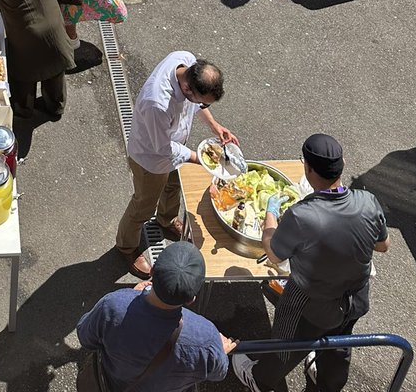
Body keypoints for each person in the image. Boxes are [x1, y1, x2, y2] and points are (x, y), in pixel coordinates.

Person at [232, 133, 389, 392]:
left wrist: (271, 214)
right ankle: (329, 384)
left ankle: (260, 379)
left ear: (308, 168)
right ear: (343, 164)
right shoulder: (367, 202)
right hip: (356, 298)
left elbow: (273, 254)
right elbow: (383, 245)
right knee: (339, 342)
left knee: (287, 342)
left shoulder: (302, 215)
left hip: (310, 303)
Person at [115, 52, 236, 276]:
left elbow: (197, 106)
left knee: (173, 186)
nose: (202, 106)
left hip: (175, 146)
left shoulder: (185, 60)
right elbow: (161, 148)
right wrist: (198, 158)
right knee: (143, 205)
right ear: (188, 89)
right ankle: (126, 245)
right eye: (201, 101)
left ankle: (166, 218)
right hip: (150, 159)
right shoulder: (157, 104)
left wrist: (214, 126)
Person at [78, 242, 233, 392]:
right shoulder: (206, 337)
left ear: (152, 271)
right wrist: (220, 351)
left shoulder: (112, 305)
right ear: (191, 299)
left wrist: (132, 297)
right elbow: (219, 373)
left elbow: (85, 337)